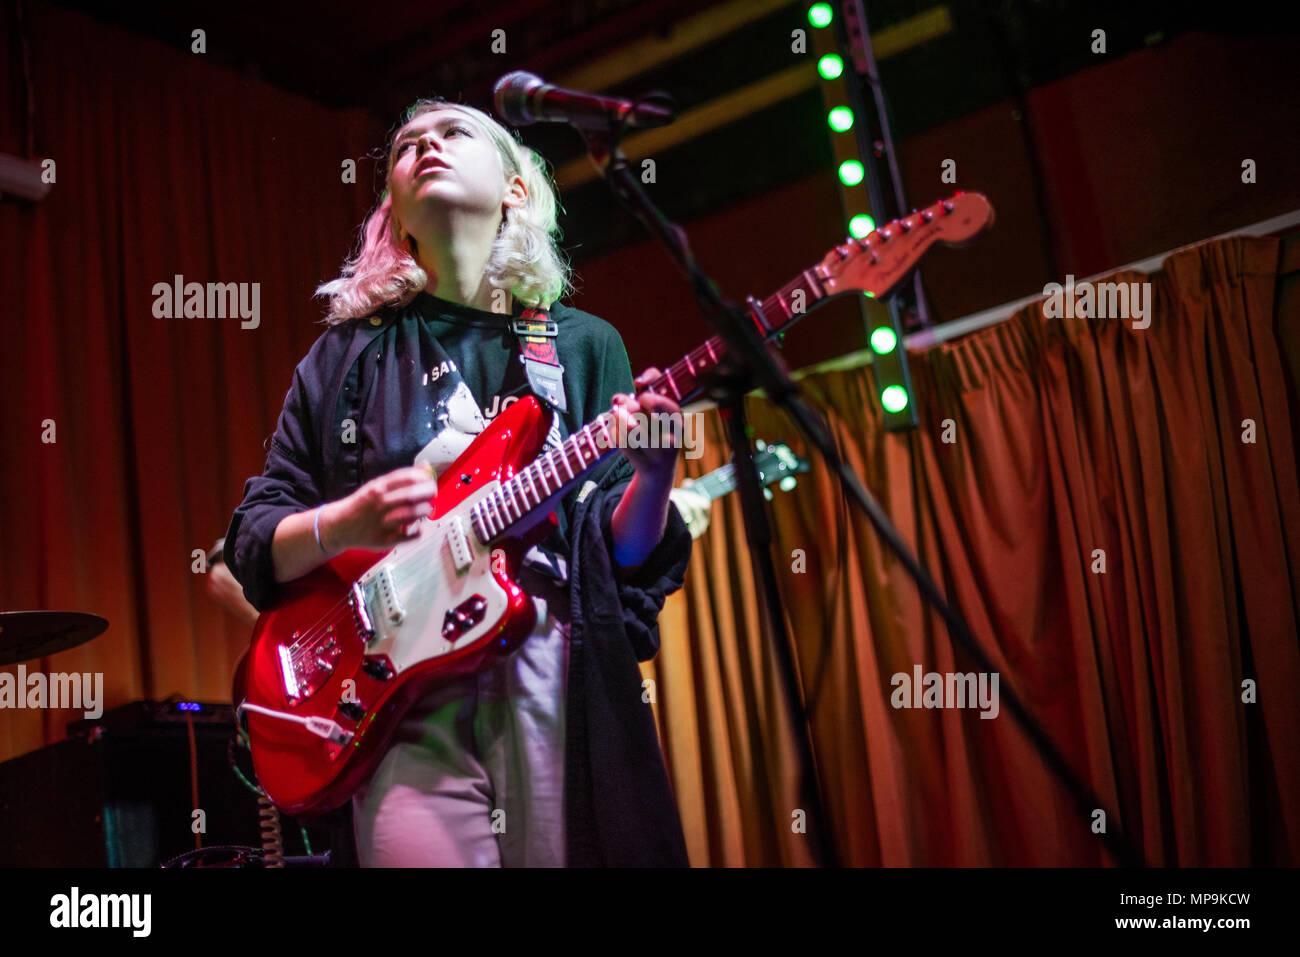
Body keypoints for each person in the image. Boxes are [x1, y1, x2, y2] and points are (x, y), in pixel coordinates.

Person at [224, 97, 694, 867]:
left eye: (453, 133)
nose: (426, 146)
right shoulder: (344, 360)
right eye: (407, 145)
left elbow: (623, 553)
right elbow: (254, 533)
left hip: (547, 667)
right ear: (396, 212)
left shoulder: (581, 344)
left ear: (515, 187)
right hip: (398, 702)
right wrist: (344, 524)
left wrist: (654, 473)